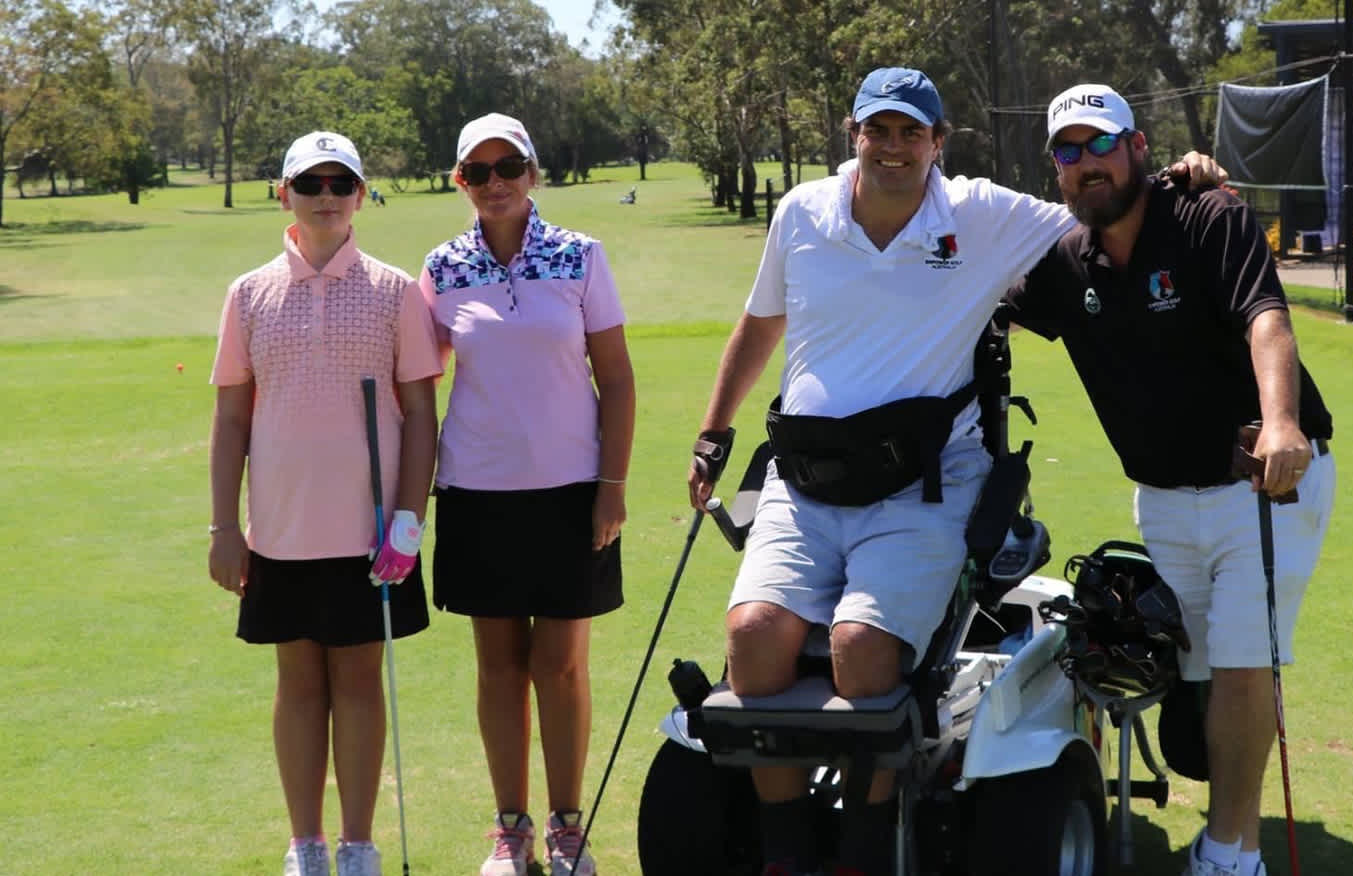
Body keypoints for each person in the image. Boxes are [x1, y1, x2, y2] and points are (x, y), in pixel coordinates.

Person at [685, 67, 1224, 876]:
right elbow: (761, 324)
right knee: (752, 645)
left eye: (913, 132)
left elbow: (1102, 202)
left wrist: (1184, 177)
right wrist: (712, 432)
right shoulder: (802, 213)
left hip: (924, 485)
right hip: (805, 483)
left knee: (860, 651)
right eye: (880, 129)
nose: (894, 147)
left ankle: (865, 849)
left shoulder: (980, 214)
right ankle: (788, 849)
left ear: (938, 143)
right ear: (853, 132)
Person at [999, 84, 1337, 876]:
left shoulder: (1207, 216)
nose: (1086, 164)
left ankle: (1231, 855)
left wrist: (1281, 421)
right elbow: (990, 315)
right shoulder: (1065, 261)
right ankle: (1227, 814)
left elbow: (1267, 319)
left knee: (1244, 660)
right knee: (1196, 695)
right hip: (1162, 498)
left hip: (1262, 485)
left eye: (1100, 144)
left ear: (1138, 147)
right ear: (1055, 166)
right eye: (1068, 150)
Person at [208, 130, 442, 876]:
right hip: (278, 531)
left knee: (359, 685)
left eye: (342, 183)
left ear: (361, 195)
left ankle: (358, 844)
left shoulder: (396, 290)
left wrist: (409, 519)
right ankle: (306, 843)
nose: (327, 197)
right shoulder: (248, 293)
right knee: (299, 687)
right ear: (286, 195)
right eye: (312, 184)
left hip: (369, 534)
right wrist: (223, 525)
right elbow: (233, 418)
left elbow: (420, 412)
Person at [419, 112, 635, 876]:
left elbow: (615, 378)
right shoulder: (442, 268)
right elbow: (419, 387)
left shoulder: (579, 256)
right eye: (477, 172)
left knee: (562, 666)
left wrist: (612, 486)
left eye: (508, 166)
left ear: (533, 172)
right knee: (499, 667)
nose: (495, 182)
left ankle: (566, 828)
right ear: (460, 183)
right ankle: (510, 831)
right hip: (478, 491)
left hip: (572, 491)